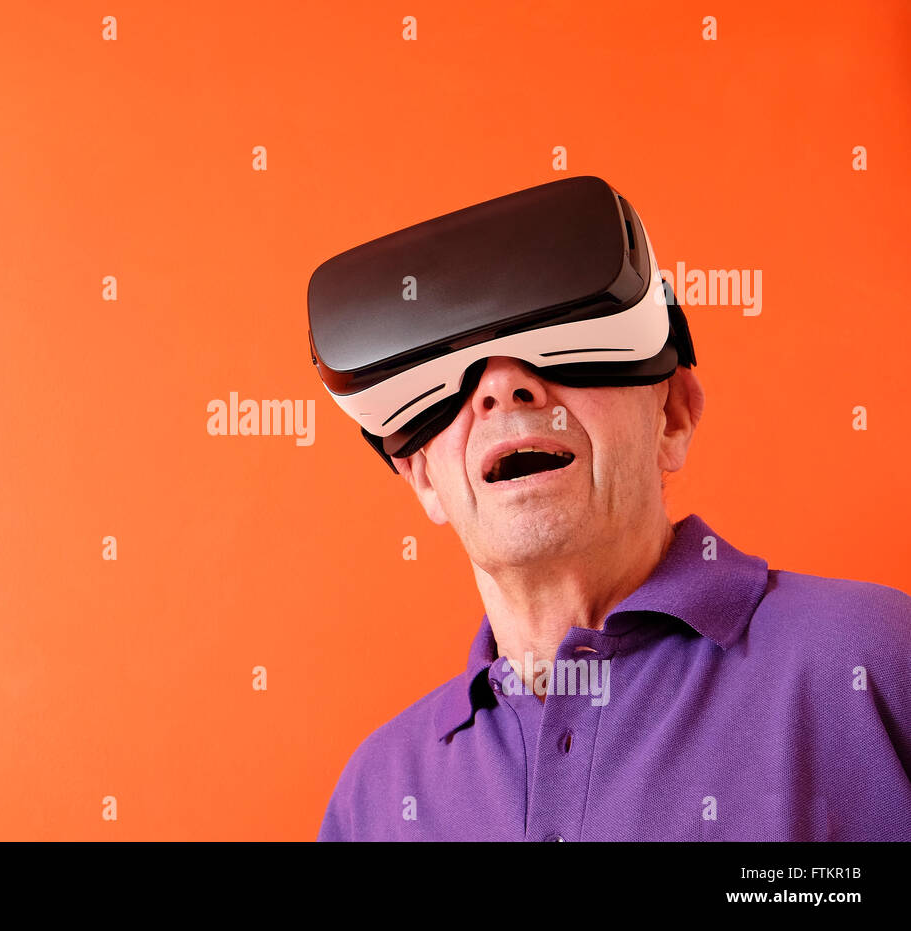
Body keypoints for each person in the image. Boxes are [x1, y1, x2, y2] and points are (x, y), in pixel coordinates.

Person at [308, 178, 911, 841]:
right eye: (455, 378)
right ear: (424, 479)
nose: (502, 387)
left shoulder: (874, 659)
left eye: (556, 342)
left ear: (671, 417)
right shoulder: (376, 797)